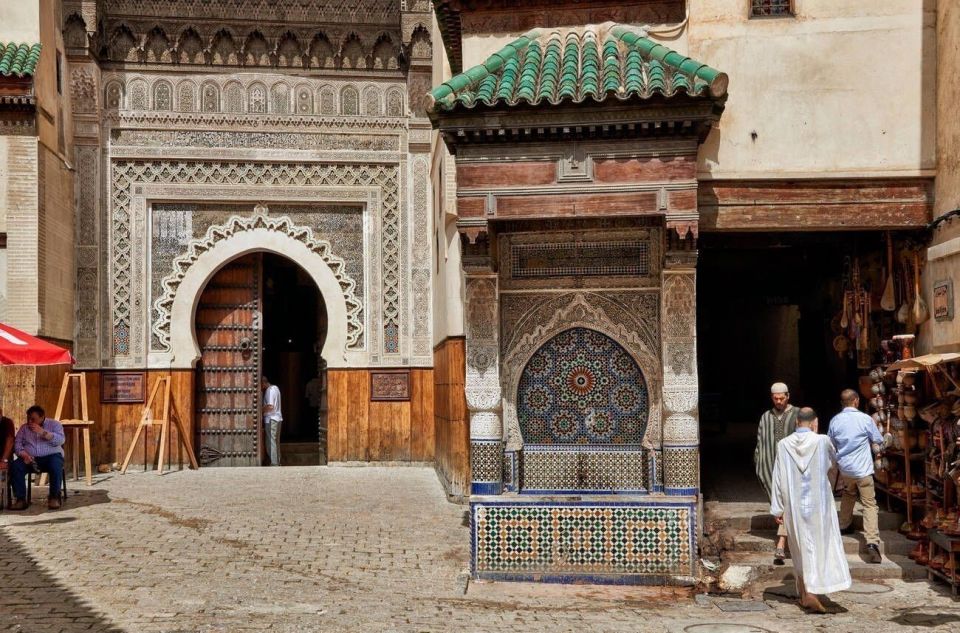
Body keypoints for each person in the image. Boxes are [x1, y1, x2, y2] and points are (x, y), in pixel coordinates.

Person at [771, 407, 851, 612]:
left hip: (794, 505)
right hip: (819, 505)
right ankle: (812, 592)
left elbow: (778, 478)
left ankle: (808, 592)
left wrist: (778, 508)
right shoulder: (822, 441)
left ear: (796, 422)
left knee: (800, 549)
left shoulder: (783, 445)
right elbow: (833, 464)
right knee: (819, 547)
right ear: (814, 423)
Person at [827, 388, 884, 564]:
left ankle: (844, 525)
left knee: (848, 494)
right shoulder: (865, 419)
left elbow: (831, 444)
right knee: (869, 504)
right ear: (856, 401)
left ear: (842, 403)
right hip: (863, 470)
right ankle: (872, 542)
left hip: (846, 469)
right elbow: (878, 440)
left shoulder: (835, 420)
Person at [755, 381, 798, 565]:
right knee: (782, 505)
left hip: (793, 469)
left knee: (787, 504)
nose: (779, 401)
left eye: (781, 398)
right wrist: (760, 462)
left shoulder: (798, 414)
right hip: (773, 468)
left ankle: (781, 543)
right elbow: (761, 442)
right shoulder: (766, 417)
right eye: (775, 398)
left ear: (788, 396)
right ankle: (785, 541)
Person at [8, 405, 66, 510]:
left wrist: (42, 432)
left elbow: (60, 441)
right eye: (28, 418)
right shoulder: (24, 428)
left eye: (33, 419)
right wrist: (23, 454)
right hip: (30, 458)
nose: (30, 421)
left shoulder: (55, 424)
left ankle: (54, 497)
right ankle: (20, 499)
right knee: (15, 466)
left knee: (56, 465)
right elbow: (17, 445)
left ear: (42, 416)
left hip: (51, 456)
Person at [262, 375, 283, 466]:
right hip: (278, 418)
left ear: (263, 383)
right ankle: (278, 461)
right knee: (276, 441)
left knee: (270, 441)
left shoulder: (269, 391)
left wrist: (259, 409)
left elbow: (270, 406)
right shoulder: (276, 388)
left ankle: (274, 462)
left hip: (271, 419)